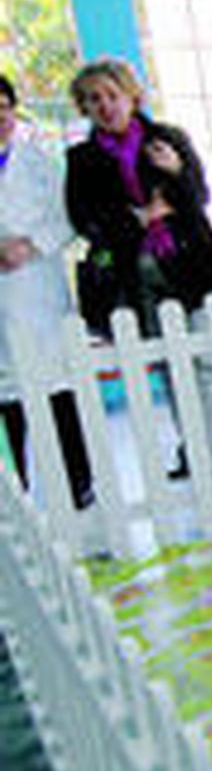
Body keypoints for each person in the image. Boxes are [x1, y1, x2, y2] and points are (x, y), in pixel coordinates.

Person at [64, 59, 212, 479]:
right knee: (169, 365)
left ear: (132, 95)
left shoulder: (169, 139)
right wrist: (138, 219)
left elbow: (198, 197)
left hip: (190, 264)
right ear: (84, 108)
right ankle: (195, 452)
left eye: (113, 95)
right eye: (94, 99)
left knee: (205, 363)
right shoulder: (81, 158)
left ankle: (210, 459)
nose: (106, 106)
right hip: (134, 274)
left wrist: (176, 172)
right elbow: (84, 220)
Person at [0, 74, 94, 508]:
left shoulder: (38, 161)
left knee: (58, 391)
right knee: (9, 400)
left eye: (4, 106)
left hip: (39, 289)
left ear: (14, 110)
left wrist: (31, 245)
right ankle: (15, 491)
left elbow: (68, 217)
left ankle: (80, 483)